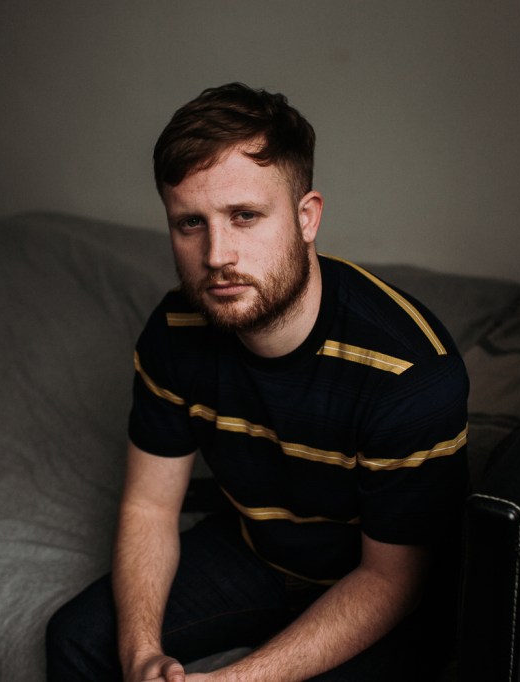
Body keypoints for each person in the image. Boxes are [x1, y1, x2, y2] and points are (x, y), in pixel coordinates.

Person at [46, 82, 469, 681]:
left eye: (244, 216)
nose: (217, 255)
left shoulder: (409, 373)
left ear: (306, 217)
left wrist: (236, 679)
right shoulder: (174, 331)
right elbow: (149, 507)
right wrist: (141, 654)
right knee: (75, 640)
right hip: (257, 550)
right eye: (190, 223)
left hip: (376, 584)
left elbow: (391, 579)